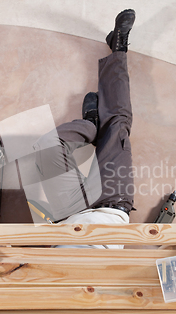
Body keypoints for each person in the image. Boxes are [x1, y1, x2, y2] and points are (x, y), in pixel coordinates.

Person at [32, 9, 136, 248]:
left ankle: (89, 124)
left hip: (68, 213)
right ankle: (118, 49)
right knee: (117, 124)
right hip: (112, 207)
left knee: (47, 145)